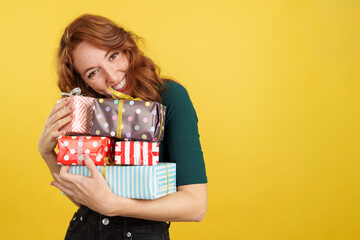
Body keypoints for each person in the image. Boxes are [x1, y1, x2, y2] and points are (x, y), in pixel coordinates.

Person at [38, 14, 207, 240]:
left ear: (126, 48)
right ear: (83, 83)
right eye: (93, 72)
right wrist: (47, 152)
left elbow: (196, 206)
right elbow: (86, 199)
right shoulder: (87, 110)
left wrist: (115, 206)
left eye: (113, 56)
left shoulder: (170, 97)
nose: (112, 76)